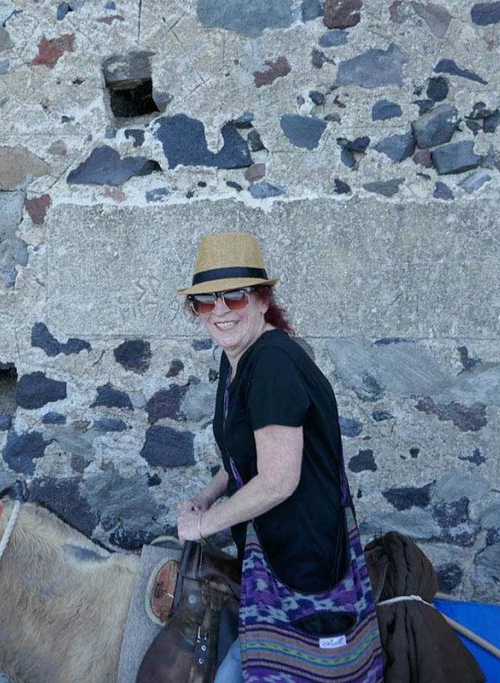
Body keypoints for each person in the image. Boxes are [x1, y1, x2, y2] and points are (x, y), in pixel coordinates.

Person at [175, 232, 383, 683]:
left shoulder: (271, 363)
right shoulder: (237, 358)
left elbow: (277, 480)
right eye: (207, 302)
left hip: (300, 558)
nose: (222, 311)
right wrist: (207, 496)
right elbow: (242, 454)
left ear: (263, 299)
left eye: (235, 295)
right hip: (270, 548)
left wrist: (201, 527)